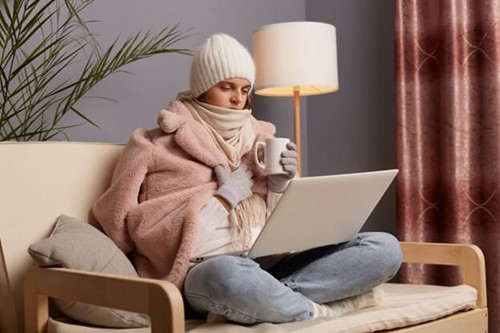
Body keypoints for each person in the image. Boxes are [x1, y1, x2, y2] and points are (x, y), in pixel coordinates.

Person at [93, 33, 402, 325]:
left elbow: (280, 234)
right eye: (226, 87)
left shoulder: (261, 140)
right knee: (226, 273)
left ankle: (266, 302)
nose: (237, 99)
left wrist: (280, 187)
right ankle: (317, 310)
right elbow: (127, 227)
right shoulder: (155, 145)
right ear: (202, 87)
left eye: (244, 89)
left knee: (384, 248)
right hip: (201, 272)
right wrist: (226, 196)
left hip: (266, 266)